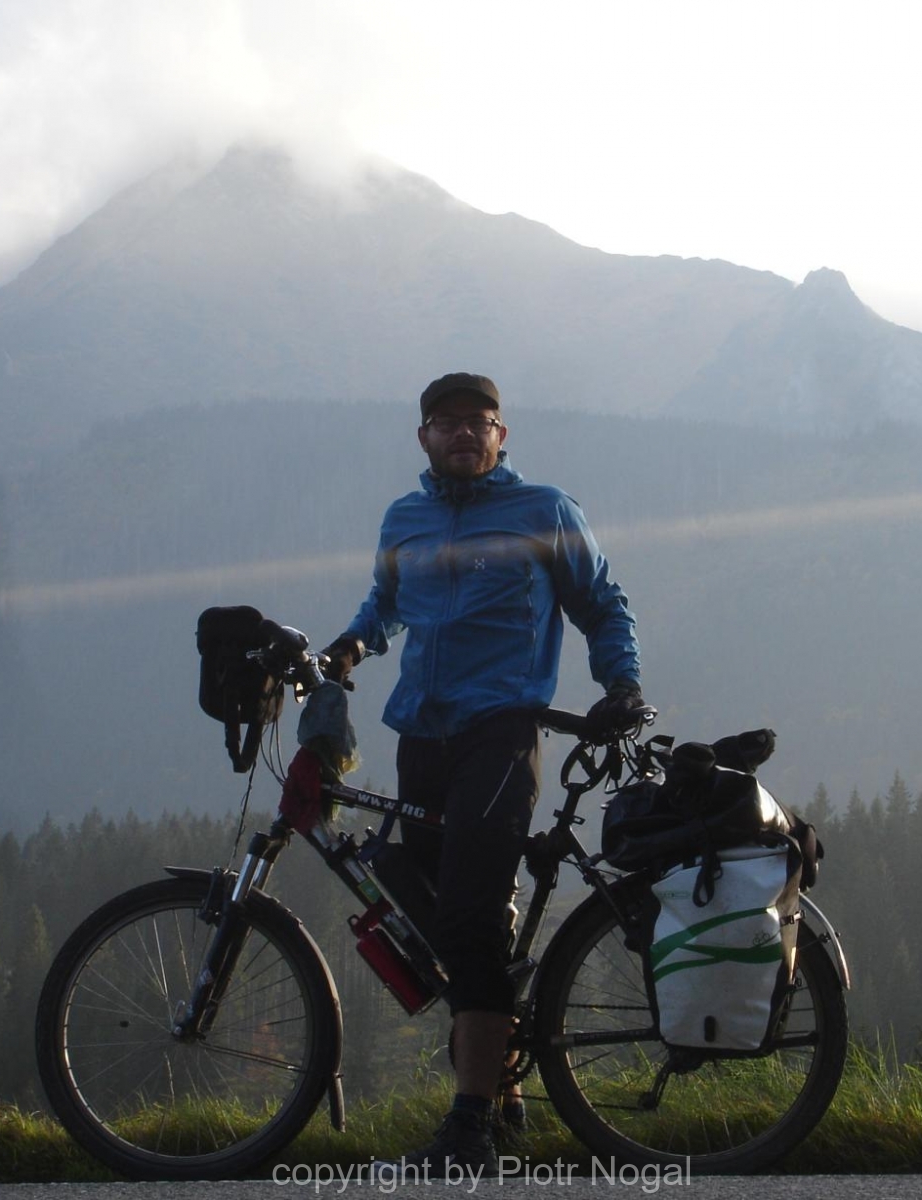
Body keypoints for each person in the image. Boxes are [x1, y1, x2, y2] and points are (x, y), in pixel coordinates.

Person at [325, 372, 645, 1176]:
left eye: (481, 421)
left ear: (503, 435)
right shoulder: (404, 519)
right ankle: (504, 1095)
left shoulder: (545, 509)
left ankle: (468, 1129)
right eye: (448, 422)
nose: (465, 433)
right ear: (424, 438)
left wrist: (622, 683)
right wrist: (352, 645)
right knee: (439, 920)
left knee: (466, 919)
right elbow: (385, 603)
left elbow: (601, 602)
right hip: (420, 736)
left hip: (500, 733)